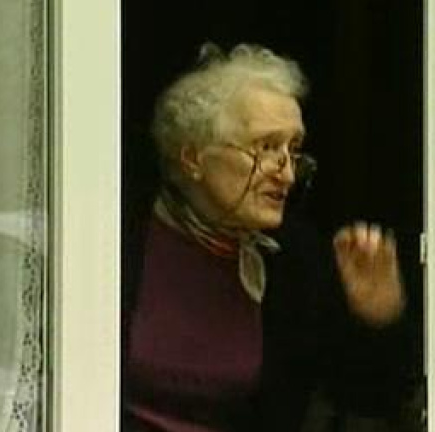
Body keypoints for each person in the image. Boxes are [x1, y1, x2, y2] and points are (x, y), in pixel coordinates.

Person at [123, 43, 413, 432]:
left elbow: (368, 399)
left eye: (293, 151)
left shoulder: (294, 259)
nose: (287, 175)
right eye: (266, 148)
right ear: (192, 158)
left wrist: (377, 319)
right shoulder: (117, 237)